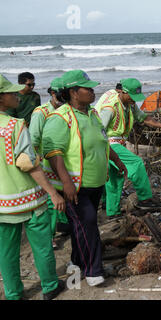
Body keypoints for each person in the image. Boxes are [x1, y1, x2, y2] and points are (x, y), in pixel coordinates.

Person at [41, 70, 127, 287]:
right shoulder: (60, 118)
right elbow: (53, 153)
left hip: (95, 183)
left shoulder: (93, 114)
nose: (92, 91)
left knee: (83, 226)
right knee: (88, 226)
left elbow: (103, 142)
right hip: (74, 186)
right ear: (73, 92)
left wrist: (117, 160)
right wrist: (67, 183)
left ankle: (77, 262)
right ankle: (93, 271)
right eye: (87, 88)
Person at [0, 74, 66, 300]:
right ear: (1, 99)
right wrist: (52, 192)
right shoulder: (15, 126)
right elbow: (29, 165)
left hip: (2, 205)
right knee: (42, 246)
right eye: (11, 92)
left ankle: (13, 294)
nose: (17, 94)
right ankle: (49, 287)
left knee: (6, 253)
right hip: (28, 200)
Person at [95, 78, 161, 218]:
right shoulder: (110, 108)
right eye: (132, 96)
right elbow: (98, 131)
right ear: (122, 92)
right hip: (109, 144)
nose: (134, 100)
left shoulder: (130, 104)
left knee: (115, 179)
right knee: (136, 163)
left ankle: (112, 212)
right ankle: (145, 199)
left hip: (117, 143)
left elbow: (143, 118)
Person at [29, 77, 68, 247]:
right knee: (52, 201)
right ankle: (50, 236)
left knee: (62, 196)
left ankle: (62, 225)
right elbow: (34, 140)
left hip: (64, 160)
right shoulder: (41, 112)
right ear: (53, 94)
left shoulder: (67, 109)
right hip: (46, 162)